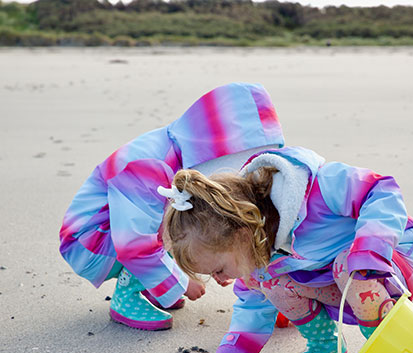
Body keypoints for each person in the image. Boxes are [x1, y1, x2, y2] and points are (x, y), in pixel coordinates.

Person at [161, 146, 413, 353]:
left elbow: (381, 190)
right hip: (337, 278)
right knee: (268, 282)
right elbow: (251, 306)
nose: (220, 281)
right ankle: (325, 347)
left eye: (218, 270)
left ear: (242, 235)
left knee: (347, 264)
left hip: (390, 259)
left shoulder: (317, 190)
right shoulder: (257, 250)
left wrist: (370, 249)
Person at [59, 83, 284, 330]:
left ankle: (152, 282)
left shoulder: (184, 155)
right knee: (181, 222)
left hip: (122, 231)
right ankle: (127, 297)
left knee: (189, 220)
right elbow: (134, 241)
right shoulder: (146, 166)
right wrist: (181, 281)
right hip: (89, 242)